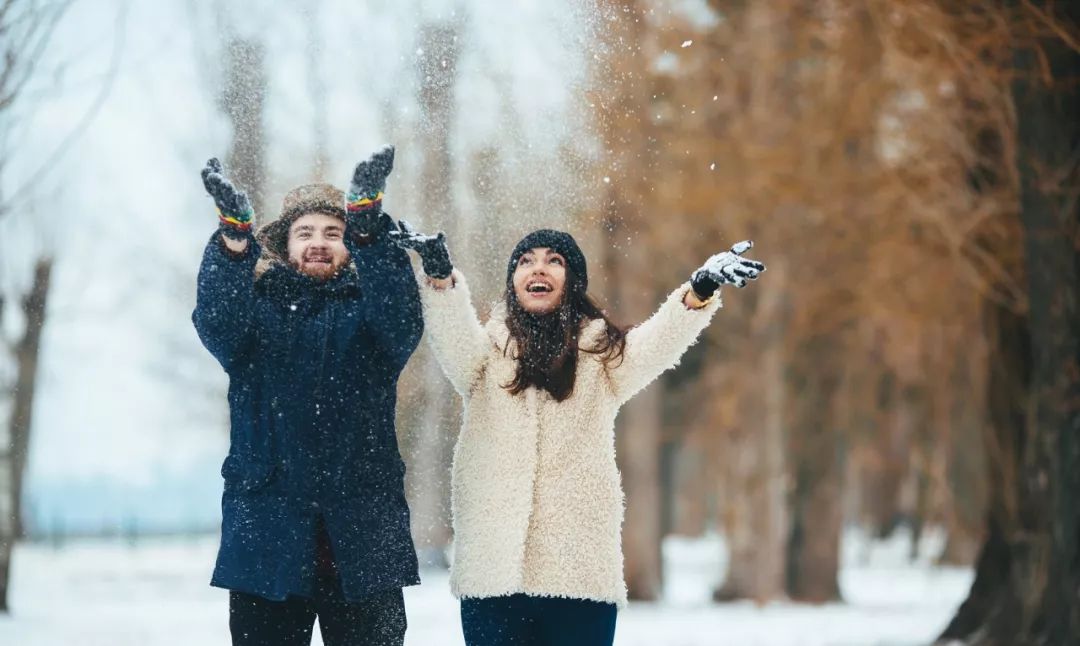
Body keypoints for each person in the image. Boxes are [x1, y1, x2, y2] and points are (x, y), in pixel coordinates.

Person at [389, 223, 765, 646]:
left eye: (555, 260)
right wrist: (440, 277)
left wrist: (698, 291)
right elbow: (452, 335)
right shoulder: (483, 357)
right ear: (513, 280)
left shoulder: (602, 356)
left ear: (573, 281)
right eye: (526, 261)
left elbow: (658, 342)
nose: (539, 268)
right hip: (492, 575)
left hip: (580, 575)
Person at [193, 146, 422, 646]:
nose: (318, 243)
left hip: (365, 544)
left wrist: (368, 228)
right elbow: (216, 323)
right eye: (305, 233)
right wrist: (233, 242)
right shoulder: (253, 314)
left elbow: (404, 322)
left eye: (333, 234)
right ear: (284, 245)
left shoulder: (372, 315)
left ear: (350, 245)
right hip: (267, 543)